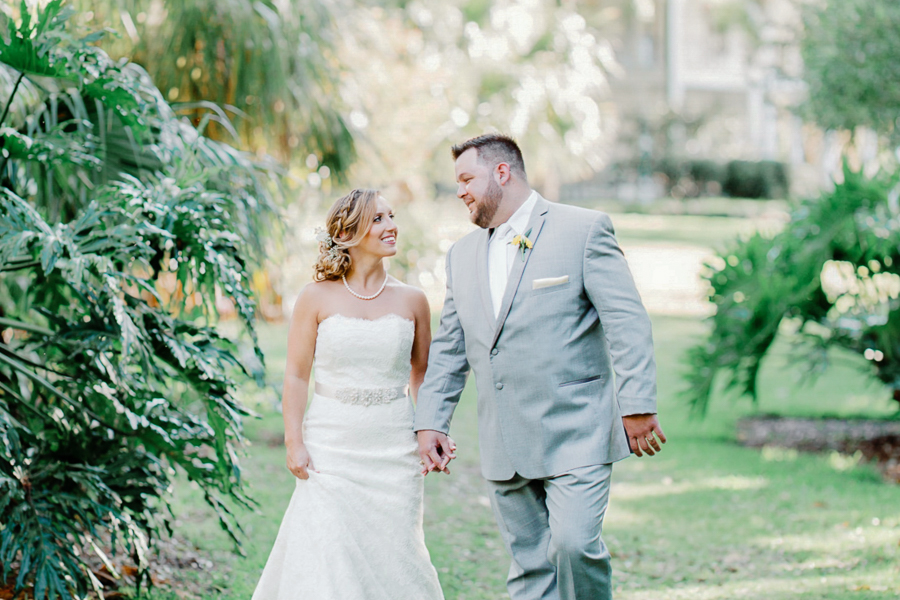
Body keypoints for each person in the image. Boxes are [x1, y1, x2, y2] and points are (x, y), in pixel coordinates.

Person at [414, 134, 666, 600]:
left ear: (502, 173)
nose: (460, 191)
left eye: (467, 178)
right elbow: (451, 348)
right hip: (503, 437)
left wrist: (637, 404)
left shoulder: (583, 230)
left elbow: (626, 321)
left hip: (577, 428)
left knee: (574, 546)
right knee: (530, 568)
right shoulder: (461, 256)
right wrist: (431, 419)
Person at [252, 189, 445, 600]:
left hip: (393, 448)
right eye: (378, 219)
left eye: (391, 216)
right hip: (330, 448)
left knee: (396, 553)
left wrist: (432, 431)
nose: (391, 226)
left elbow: (422, 374)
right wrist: (294, 441)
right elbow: (296, 377)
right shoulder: (315, 297)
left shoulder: (413, 300)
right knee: (328, 553)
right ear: (346, 232)